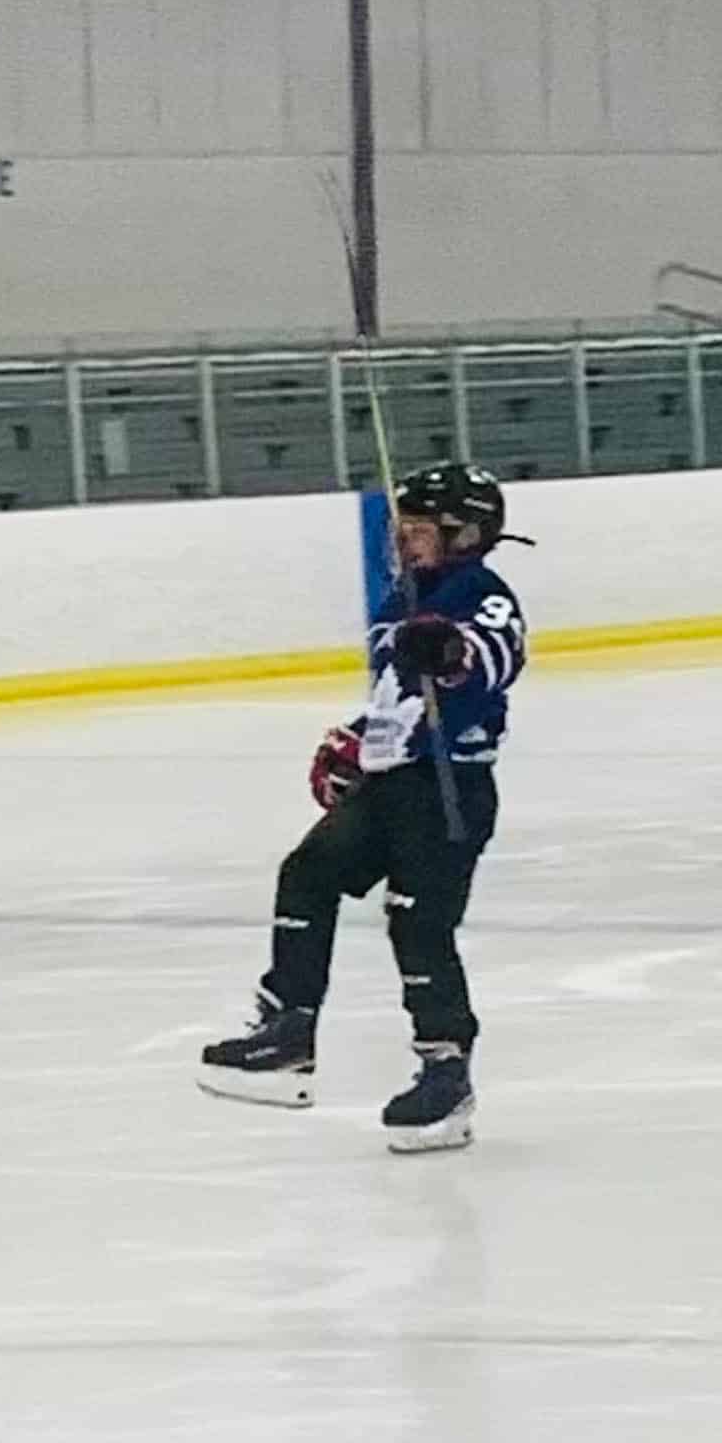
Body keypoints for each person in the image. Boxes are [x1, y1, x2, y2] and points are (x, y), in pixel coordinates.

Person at [200, 460, 526, 1153]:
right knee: (308, 871)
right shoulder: (398, 601)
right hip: (393, 784)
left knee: (418, 922)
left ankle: (445, 1069)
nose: (402, 543)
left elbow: (491, 661)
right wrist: (358, 743)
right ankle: (288, 1030)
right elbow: (396, 697)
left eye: (418, 531)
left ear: (465, 534)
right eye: (399, 531)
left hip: (450, 788)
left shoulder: (482, 592)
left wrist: (451, 650)